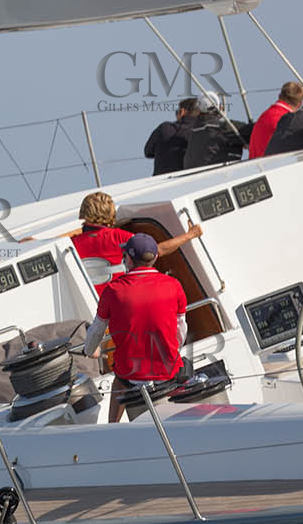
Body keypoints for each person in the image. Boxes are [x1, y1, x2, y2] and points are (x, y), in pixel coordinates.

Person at [83, 232, 188, 423]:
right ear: (155, 258)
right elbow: (181, 331)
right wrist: (171, 350)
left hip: (132, 376)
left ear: (128, 259)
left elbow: (97, 330)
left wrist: (89, 351)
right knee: (181, 363)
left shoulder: (112, 291)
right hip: (169, 371)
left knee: (119, 379)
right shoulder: (174, 285)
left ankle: (113, 427)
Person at [70, 191, 203, 295]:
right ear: (110, 213)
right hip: (120, 300)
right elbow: (157, 251)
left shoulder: (72, 243)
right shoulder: (117, 237)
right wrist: (190, 235)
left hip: (95, 308)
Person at [181, 91, 252, 169]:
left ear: (199, 110)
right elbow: (253, 131)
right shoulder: (220, 128)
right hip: (218, 176)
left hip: (195, 177)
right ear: (220, 108)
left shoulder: (195, 129)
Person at [248, 82, 303, 159]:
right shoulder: (288, 121)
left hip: (255, 165)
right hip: (271, 166)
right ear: (299, 104)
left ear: (279, 96)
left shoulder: (265, 115)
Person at [143, 98, 195, 175]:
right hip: (187, 180)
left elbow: (147, 152)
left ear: (182, 112)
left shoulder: (164, 127)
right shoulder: (199, 131)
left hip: (159, 181)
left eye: (177, 112)